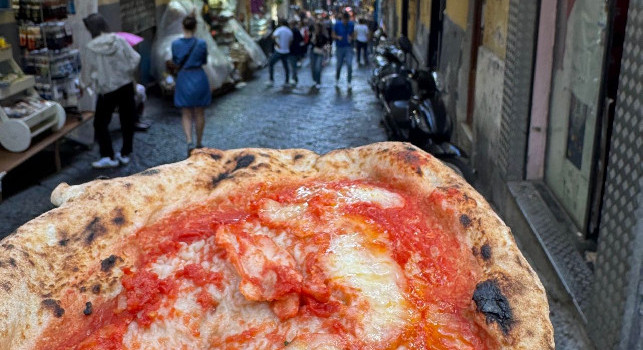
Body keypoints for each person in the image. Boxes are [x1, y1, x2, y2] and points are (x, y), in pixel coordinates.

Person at [81, 13, 140, 169]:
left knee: (100, 123)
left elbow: (87, 74)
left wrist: (86, 83)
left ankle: (108, 155)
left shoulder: (91, 48)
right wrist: (126, 72)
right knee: (127, 120)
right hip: (126, 86)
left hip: (107, 90)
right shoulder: (119, 40)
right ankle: (125, 153)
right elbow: (135, 58)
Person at [171, 13, 211, 156]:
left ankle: (189, 142)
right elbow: (204, 60)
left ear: (183, 26)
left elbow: (175, 62)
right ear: (195, 28)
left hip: (184, 77)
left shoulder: (175, 44)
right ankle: (199, 142)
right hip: (199, 77)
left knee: (186, 113)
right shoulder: (201, 44)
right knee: (199, 112)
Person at [332, 12, 355, 89]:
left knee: (349, 64)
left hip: (348, 47)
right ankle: (337, 79)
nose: (345, 21)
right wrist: (338, 37)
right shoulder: (337, 24)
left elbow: (354, 34)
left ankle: (349, 81)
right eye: (344, 20)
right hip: (340, 47)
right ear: (342, 19)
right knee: (339, 65)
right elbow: (333, 35)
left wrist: (351, 37)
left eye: (347, 20)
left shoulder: (351, 24)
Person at [310, 22, 330, 89]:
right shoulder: (312, 34)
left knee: (318, 68)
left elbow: (327, 44)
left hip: (320, 52)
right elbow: (310, 43)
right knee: (313, 68)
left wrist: (325, 49)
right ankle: (315, 79)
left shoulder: (323, 35)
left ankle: (318, 82)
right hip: (313, 52)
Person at [288, 19, 305, 86]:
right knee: (293, 65)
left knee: (293, 65)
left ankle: (294, 78)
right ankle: (295, 78)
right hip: (296, 50)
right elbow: (301, 39)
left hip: (293, 50)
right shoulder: (296, 30)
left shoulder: (293, 31)